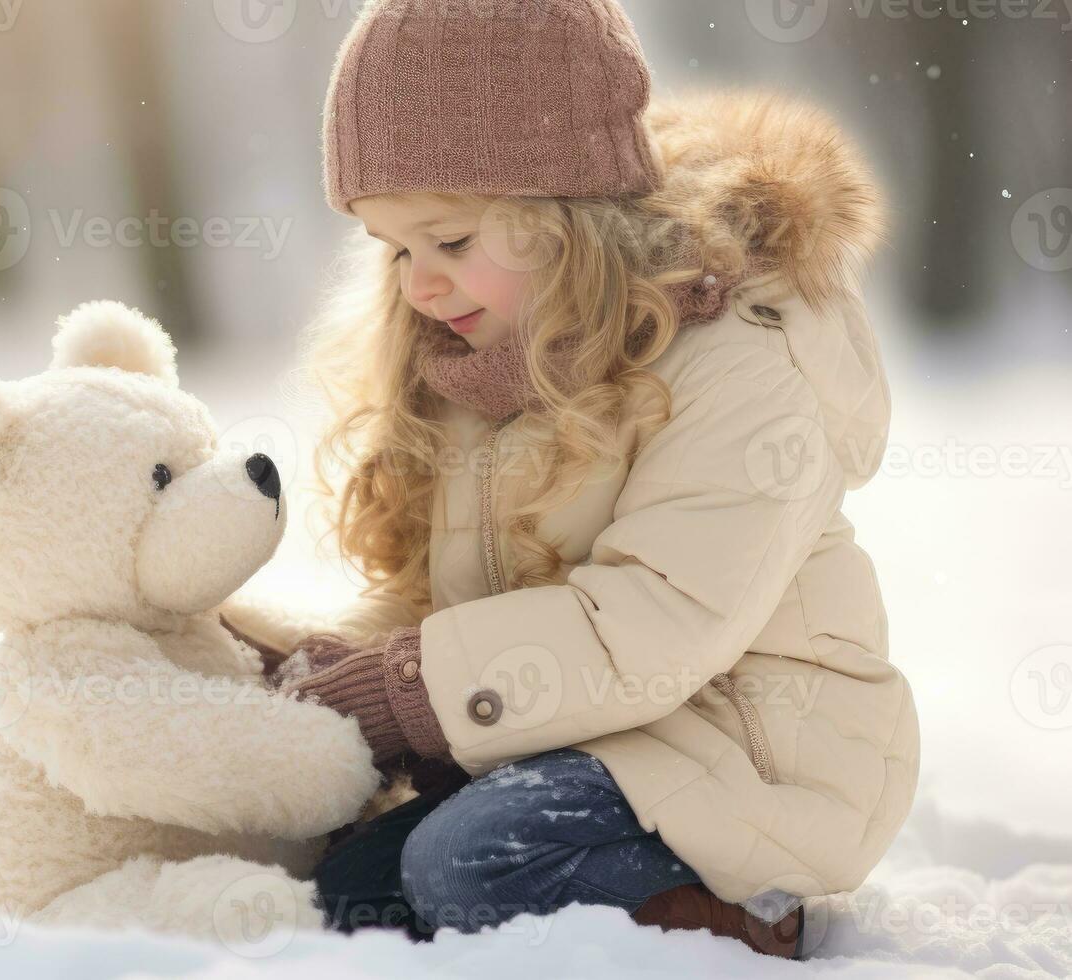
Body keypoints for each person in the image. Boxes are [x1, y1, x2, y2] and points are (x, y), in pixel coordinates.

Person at [226, 0, 920, 959]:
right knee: (351, 889)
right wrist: (295, 658)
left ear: (565, 215)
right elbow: (444, 610)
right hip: (576, 735)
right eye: (395, 250)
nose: (420, 285)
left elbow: (656, 620)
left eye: (451, 241)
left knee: (467, 867)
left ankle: (739, 921)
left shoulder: (737, 363)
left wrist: (409, 695)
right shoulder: (481, 364)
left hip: (748, 756)